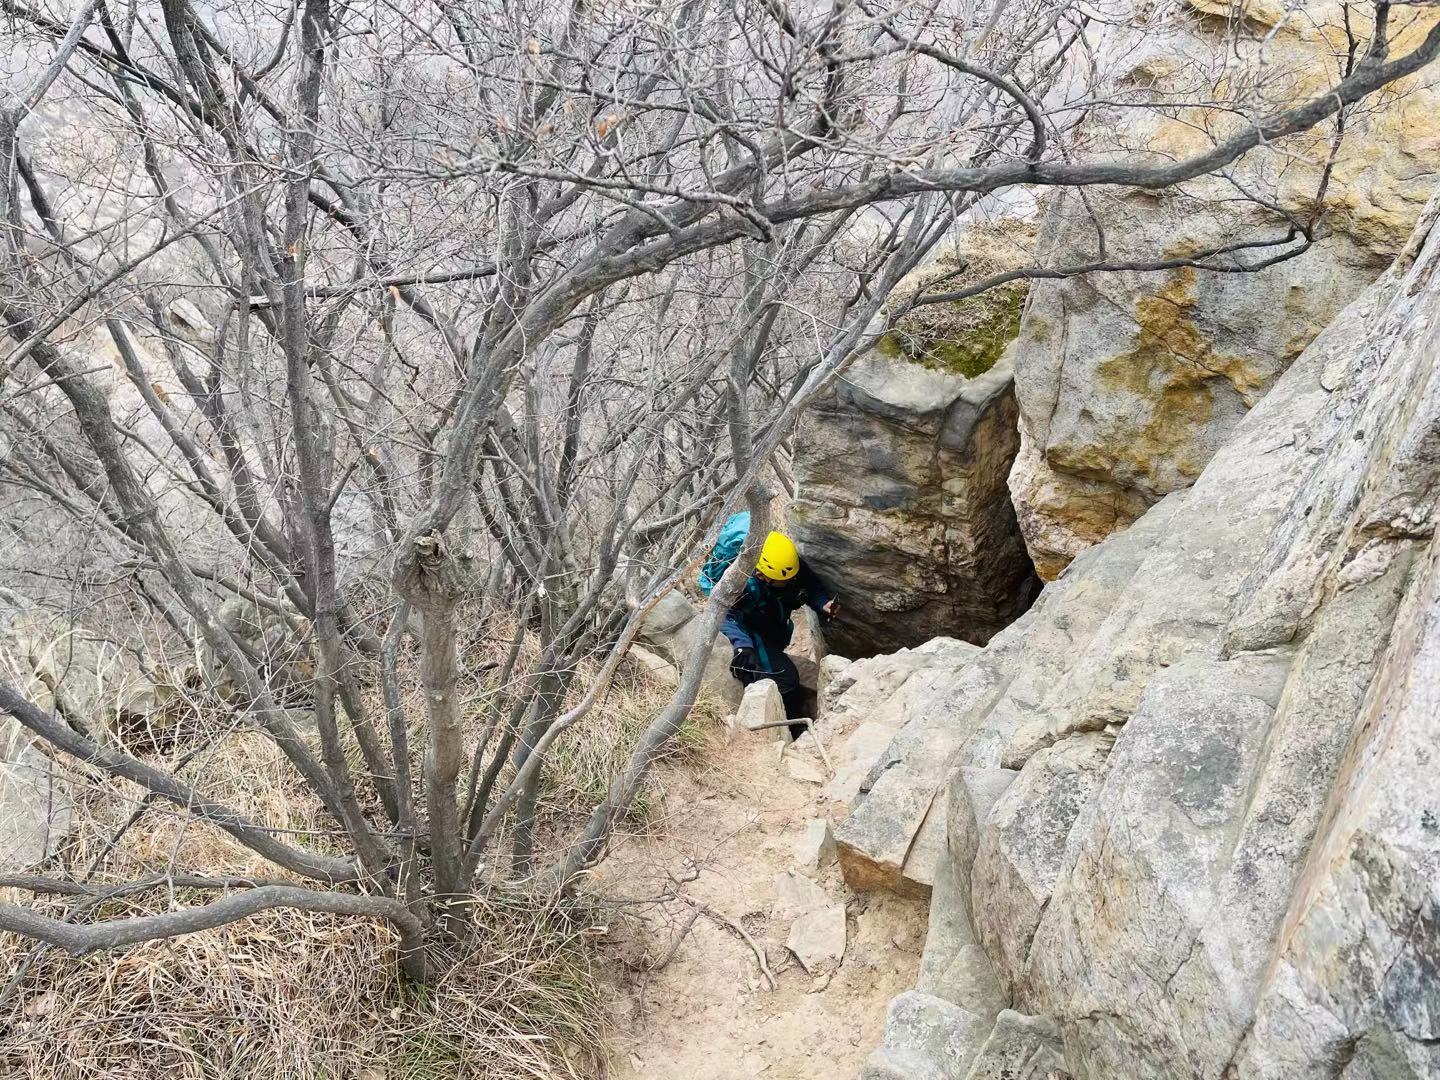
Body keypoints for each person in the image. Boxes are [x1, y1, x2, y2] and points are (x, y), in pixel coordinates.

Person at [702, 514, 838, 739]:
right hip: (749, 628)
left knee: (781, 669)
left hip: (770, 624)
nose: (787, 582)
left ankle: (791, 719)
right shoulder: (743, 582)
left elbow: (810, 585)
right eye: (779, 581)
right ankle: (791, 726)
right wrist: (742, 645)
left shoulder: (787, 565)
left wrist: (823, 603)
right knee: (785, 677)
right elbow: (725, 612)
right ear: (763, 576)